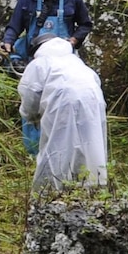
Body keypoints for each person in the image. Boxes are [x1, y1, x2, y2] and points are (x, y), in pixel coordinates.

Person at [17, 35, 109, 192]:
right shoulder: (76, 62)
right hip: (93, 100)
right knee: (90, 143)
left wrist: (29, 116)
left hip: (62, 101)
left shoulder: (40, 63)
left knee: (57, 145)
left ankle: (51, 191)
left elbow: (30, 94)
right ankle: (93, 187)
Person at [0, 0, 92, 69]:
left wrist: (73, 41)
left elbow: (85, 25)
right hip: (33, 56)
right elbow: (14, 26)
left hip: (64, 58)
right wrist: (7, 43)